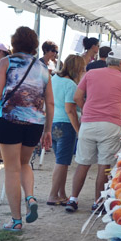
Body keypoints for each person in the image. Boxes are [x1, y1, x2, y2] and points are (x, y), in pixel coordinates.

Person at [0, 27, 53, 232]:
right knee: (25, 164)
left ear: (14, 44)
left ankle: (16, 220)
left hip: (10, 120)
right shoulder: (43, 68)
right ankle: (31, 197)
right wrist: (48, 130)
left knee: (11, 169)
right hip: (35, 123)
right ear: (35, 45)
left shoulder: (5, 62)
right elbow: (50, 103)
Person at [65, 49, 121, 213]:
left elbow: (77, 97)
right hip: (110, 125)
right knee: (104, 164)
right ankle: (97, 202)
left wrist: (86, 110)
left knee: (83, 163)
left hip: (88, 124)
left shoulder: (90, 74)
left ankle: (73, 199)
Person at [47, 55, 85, 206]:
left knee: (60, 161)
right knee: (62, 162)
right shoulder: (70, 85)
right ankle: (52, 195)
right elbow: (70, 110)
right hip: (65, 125)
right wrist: (78, 130)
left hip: (53, 123)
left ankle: (61, 194)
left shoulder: (54, 79)